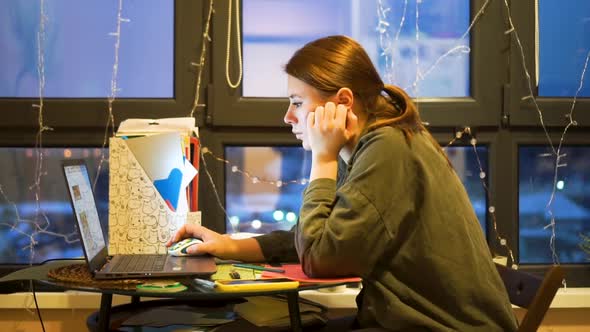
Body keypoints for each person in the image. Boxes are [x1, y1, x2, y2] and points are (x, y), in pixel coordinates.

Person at [168, 35, 517, 331]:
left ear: (343, 101)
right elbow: (320, 235)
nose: (288, 117)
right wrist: (230, 245)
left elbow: (321, 258)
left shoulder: (388, 148)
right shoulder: (379, 142)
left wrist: (323, 158)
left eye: (297, 102)